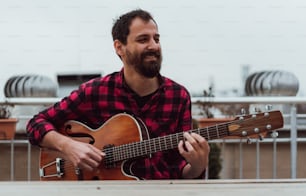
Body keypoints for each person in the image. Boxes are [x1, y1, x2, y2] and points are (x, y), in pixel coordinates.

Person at [26, 9, 210, 180]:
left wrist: (197, 165)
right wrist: (69, 146)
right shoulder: (96, 92)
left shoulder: (178, 96)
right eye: (143, 39)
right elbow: (35, 124)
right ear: (119, 47)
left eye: (157, 38)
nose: (154, 46)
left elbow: (180, 170)